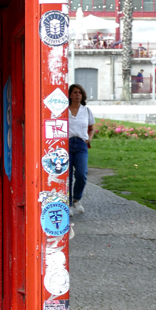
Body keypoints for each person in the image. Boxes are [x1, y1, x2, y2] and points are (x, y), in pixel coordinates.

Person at [68, 83, 94, 215]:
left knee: (81, 174)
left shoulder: (86, 110)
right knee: (67, 176)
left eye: (80, 93)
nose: (78, 95)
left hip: (81, 145)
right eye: (75, 92)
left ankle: (76, 199)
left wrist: (89, 139)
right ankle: (68, 203)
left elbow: (92, 128)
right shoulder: (64, 110)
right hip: (66, 144)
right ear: (70, 95)